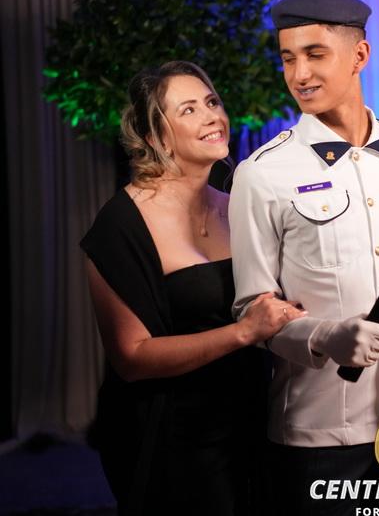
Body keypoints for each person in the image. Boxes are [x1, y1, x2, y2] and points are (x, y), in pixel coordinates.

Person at [228, 0, 379, 515]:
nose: (299, 74)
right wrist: (323, 335)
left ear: (359, 55)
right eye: (288, 58)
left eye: (315, 54)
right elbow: (250, 309)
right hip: (319, 433)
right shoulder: (261, 174)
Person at [81, 61, 304, 516]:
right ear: (156, 137)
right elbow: (132, 358)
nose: (212, 116)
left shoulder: (240, 205)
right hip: (171, 436)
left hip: (253, 418)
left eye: (212, 102)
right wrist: (243, 332)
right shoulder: (120, 225)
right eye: (189, 109)